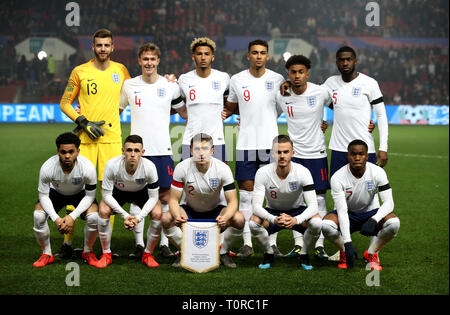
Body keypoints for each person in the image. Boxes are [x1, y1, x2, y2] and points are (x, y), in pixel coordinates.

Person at [59, 28, 131, 257]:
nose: (103, 49)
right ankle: (67, 244)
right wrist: (83, 121)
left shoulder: (121, 70)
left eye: (106, 45)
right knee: (76, 190)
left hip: (111, 140)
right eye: (99, 45)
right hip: (86, 142)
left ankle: (104, 247)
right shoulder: (80, 71)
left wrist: (116, 112)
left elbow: (132, 92)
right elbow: (65, 103)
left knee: (109, 193)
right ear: (93, 47)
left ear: (113, 47)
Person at [119, 42, 187, 259]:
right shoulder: (129, 85)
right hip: (137, 152)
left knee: (165, 198)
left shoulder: (170, 87)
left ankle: (164, 244)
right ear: (139, 61)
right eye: (145, 59)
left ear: (158, 61)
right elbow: (116, 111)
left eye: (152, 59)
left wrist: (180, 84)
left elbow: (185, 112)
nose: (149, 63)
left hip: (162, 150)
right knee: (137, 198)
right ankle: (139, 244)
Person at [222, 39, 285, 257]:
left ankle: (271, 242)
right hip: (246, 144)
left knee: (271, 196)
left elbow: (280, 109)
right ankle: (247, 243)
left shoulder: (277, 79)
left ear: (267, 56)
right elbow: (230, 106)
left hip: (270, 144)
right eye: (255, 53)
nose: (259, 56)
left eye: (263, 53)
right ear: (248, 55)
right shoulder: (237, 79)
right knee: (247, 196)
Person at [275, 55, 331, 259]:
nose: (297, 76)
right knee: (295, 201)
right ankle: (299, 244)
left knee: (320, 200)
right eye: (293, 72)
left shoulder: (321, 92)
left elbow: (341, 109)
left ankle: (320, 245)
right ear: (287, 74)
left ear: (308, 73)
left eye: (301, 72)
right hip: (293, 156)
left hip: (316, 154)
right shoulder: (282, 94)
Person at [161, 133, 245, 268]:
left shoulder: (222, 169)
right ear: (190, 151)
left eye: (205, 149)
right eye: (197, 149)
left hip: (216, 211)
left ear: (212, 151)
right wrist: (177, 216)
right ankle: (184, 251)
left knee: (239, 219)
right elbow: (173, 200)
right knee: (166, 218)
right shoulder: (182, 168)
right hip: (189, 210)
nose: (201, 153)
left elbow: (233, 202)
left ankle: (223, 252)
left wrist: (226, 217)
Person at [322, 140, 400, 270]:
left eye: (361, 154)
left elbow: (389, 203)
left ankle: (372, 253)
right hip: (348, 214)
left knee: (394, 224)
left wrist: (374, 220)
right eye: (353, 154)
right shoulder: (337, 177)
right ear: (348, 156)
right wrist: (347, 243)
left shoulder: (378, 172)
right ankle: (343, 252)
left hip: (370, 214)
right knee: (325, 225)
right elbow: (341, 211)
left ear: (367, 156)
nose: (357, 157)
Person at [251, 135, 322, 270]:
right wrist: (273, 219)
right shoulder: (262, 172)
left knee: (317, 222)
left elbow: (313, 206)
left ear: (293, 153)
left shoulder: (303, 172)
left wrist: (296, 219)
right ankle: (268, 253)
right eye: (278, 152)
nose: (282, 156)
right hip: (272, 212)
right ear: (272, 154)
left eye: (286, 152)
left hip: (297, 211)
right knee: (253, 223)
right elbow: (256, 206)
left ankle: (304, 253)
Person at [33, 132, 99, 267]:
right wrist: (56, 218)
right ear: (58, 151)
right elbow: (43, 196)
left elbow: (90, 196)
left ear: (78, 151)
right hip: (56, 193)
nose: (67, 156)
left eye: (71, 152)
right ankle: (46, 253)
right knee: (38, 216)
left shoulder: (88, 167)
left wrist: (72, 217)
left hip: (80, 194)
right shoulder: (47, 167)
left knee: (94, 217)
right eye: (63, 152)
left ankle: (88, 251)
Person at [322, 46, 389, 178]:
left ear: (355, 61)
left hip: (364, 149)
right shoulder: (330, 83)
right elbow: (314, 95)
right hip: (339, 149)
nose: (345, 63)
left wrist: (383, 147)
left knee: (368, 192)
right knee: (338, 192)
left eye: (348, 59)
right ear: (336, 63)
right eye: (341, 60)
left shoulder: (369, 83)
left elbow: (381, 116)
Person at [96, 135, 160, 268]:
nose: (132, 154)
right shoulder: (112, 165)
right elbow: (107, 195)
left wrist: (138, 218)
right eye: (129, 150)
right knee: (103, 210)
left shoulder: (150, 167)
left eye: (137, 151)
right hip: (118, 192)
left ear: (142, 153)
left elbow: (154, 198)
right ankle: (106, 254)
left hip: (141, 192)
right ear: (122, 151)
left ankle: (147, 254)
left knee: (158, 213)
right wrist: (125, 215)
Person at [177, 37, 230, 162]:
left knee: (218, 179)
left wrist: (228, 112)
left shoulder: (223, 78)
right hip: (190, 140)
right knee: (187, 179)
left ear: (212, 57)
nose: (203, 57)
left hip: (216, 141)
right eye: (199, 54)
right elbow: (178, 101)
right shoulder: (184, 79)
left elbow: (230, 102)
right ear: (193, 57)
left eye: (206, 54)